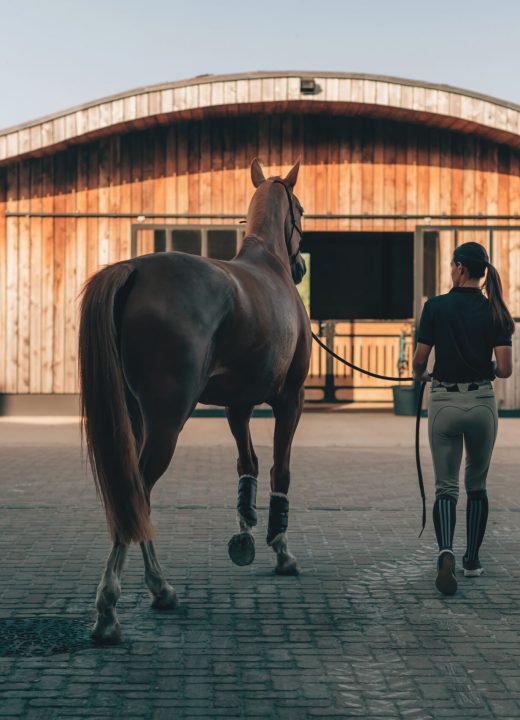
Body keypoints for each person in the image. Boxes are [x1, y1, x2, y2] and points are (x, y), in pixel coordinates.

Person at [413, 241, 514, 596]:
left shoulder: (436, 307)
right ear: (483, 271)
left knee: (445, 486)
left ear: (458, 268)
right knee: (477, 485)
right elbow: (504, 369)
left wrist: (422, 374)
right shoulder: (496, 311)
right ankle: (471, 560)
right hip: (482, 403)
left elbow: (420, 361)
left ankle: (445, 552)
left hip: (444, 402)